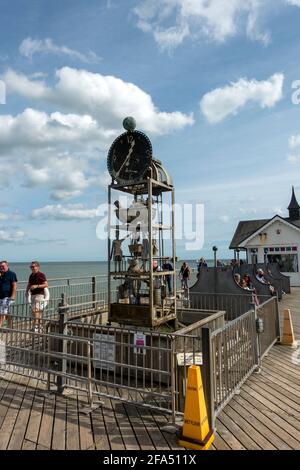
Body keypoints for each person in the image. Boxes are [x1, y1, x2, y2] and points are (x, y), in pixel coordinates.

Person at [26, 261, 48, 331]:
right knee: (35, 312)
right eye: (31, 267)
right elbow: (29, 284)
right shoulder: (31, 275)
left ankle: (35, 326)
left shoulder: (41, 275)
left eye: (33, 267)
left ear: (37, 267)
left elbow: (46, 284)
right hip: (33, 295)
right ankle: (40, 326)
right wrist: (26, 291)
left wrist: (37, 286)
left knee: (36, 310)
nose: (32, 268)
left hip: (39, 295)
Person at [0, 261, 17, 328]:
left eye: (3, 266)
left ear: (7, 266)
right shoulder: (0, 274)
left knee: (2, 312)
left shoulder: (11, 274)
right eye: (0, 266)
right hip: (0, 296)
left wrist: (13, 295)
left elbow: (14, 285)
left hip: (7, 297)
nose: (1, 268)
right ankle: (10, 326)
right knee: (6, 312)